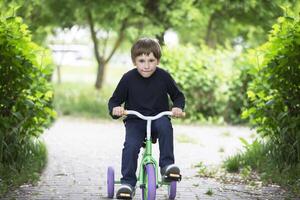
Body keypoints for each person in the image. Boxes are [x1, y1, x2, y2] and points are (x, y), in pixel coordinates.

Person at [108, 37, 185, 198]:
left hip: (158, 118)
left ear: (157, 60)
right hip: (135, 121)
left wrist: (177, 107)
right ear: (134, 61)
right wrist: (116, 109)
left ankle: (167, 166)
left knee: (165, 127)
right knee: (131, 146)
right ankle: (128, 183)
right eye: (141, 60)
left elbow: (178, 96)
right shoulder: (128, 78)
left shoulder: (163, 76)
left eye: (151, 60)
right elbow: (115, 100)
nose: (147, 65)